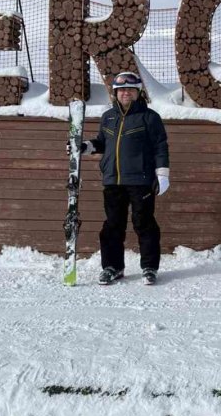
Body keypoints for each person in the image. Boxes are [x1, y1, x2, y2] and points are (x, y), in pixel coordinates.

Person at [70, 72, 170, 286]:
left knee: (144, 224)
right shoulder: (109, 117)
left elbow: (160, 146)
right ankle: (112, 267)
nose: (126, 93)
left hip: (140, 180)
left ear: (138, 92)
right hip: (112, 180)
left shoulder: (149, 117)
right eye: (122, 90)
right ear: (116, 93)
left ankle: (149, 267)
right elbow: (103, 142)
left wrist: (162, 173)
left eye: (130, 89)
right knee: (112, 226)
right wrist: (85, 147)